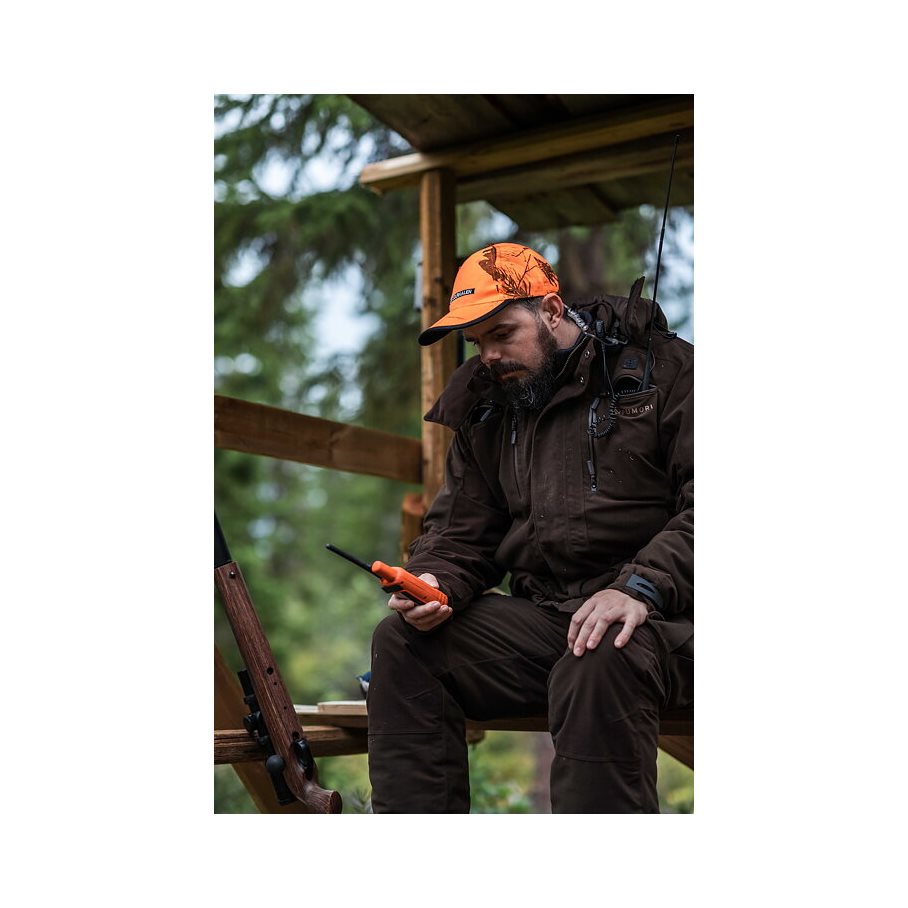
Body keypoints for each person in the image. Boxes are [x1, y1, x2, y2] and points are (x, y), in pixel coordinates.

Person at [366, 242, 693, 813]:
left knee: (601, 649)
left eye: (502, 334)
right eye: (477, 342)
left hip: (671, 622)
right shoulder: (488, 406)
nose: (489, 356)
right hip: (552, 623)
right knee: (403, 641)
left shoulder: (668, 371)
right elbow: (461, 530)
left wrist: (638, 588)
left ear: (551, 310)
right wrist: (434, 581)